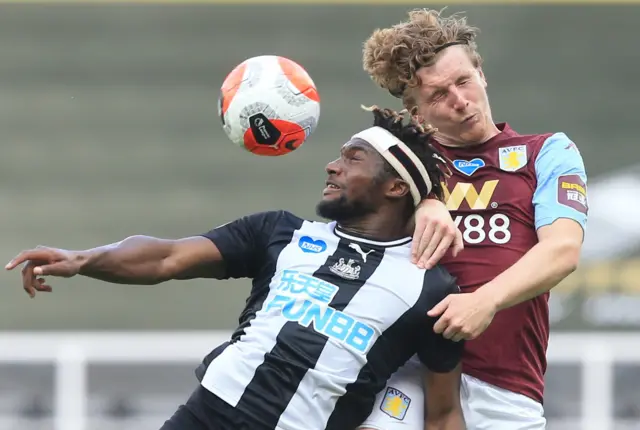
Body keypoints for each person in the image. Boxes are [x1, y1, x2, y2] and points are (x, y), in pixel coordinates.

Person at [6, 106, 466, 430]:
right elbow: (167, 256)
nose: (332, 166)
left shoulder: (430, 287)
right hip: (208, 413)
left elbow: (442, 413)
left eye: (352, 158)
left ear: (395, 188)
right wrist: (84, 258)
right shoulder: (278, 232)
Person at [358, 9, 588, 430]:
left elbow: (562, 250)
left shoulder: (548, 152)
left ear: (481, 74)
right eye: (439, 95)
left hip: (505, 383)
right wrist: (424, 198)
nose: (460, 100)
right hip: (405, 370)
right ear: (417, 113)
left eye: (463, 81)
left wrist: (485, 301)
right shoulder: (399, 166)